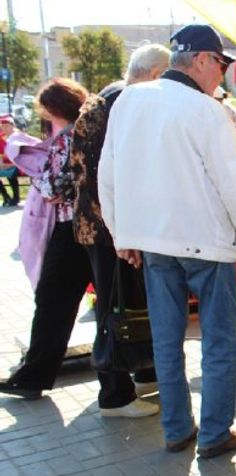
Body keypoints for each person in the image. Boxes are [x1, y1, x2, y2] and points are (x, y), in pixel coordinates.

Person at [99, 24, 236, 458]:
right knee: (220, 341)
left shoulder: (128, 99)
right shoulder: (206, 110)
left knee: (167, 338)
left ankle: (177, 429)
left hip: (155, 241)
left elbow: (109, 170)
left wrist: (120, 231)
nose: (222, 74)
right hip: (205, 243)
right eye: (220, 64)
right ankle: (216, 433)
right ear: (200, 59)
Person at [0, 79, 120, 406]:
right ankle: (118, 386)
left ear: (51, 110)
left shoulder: (64, 140)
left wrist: (37, 174)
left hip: (73, 228)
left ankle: (34, 376)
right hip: (100, 230)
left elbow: (53, 189)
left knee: (54, 304)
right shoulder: (95, 129)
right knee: (108, 308)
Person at [69, 43, 174, 417]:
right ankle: (115, 394)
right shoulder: (119, 105)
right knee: (114, 308)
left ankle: (146, 373)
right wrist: (125, 233)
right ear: (156, 74)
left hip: (115, 226)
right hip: (108, 229)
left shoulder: (114, 98)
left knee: (133, 304)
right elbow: (109, 178)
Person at [0, 115, 22, 206]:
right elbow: (0, 153)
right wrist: (1, 163)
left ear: (13, 126)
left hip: (19, 164)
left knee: (12, 174)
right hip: (6, 164)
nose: (4, 128)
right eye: (2, 126)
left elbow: (23, 155)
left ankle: (16, 197)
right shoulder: (1, 137)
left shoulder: (19, 136)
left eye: (7, 125)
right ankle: (6, 196)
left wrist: (12, 165)